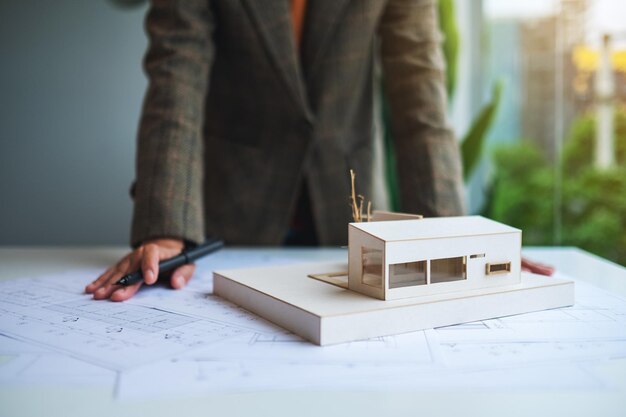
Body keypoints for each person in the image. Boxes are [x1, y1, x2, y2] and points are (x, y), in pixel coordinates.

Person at [86, 0, 549, 302]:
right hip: (230, 222)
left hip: (351, 221)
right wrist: (167, 229)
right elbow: (176, 77)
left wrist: (456, 239)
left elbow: (419, 96)